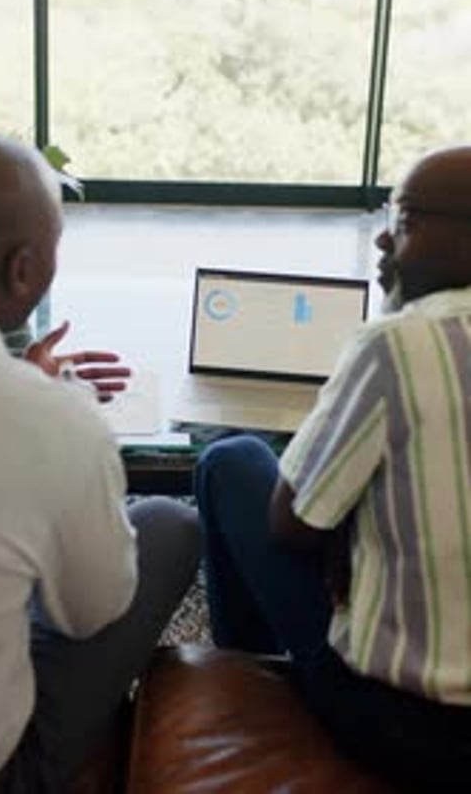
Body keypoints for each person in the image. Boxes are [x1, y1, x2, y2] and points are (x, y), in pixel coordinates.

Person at [194, 146, 471, 792]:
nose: (382, 237)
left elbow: (291, 525)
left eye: (403, 219)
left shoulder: (400, 344)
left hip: (411, 725)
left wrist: (345, 538)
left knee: (232, 460)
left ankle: (248, 672)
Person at [0, 134, 200, 793]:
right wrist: (42, 403)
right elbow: (90, 613)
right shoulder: (49, 419)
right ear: (24, 270)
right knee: (164, 523)